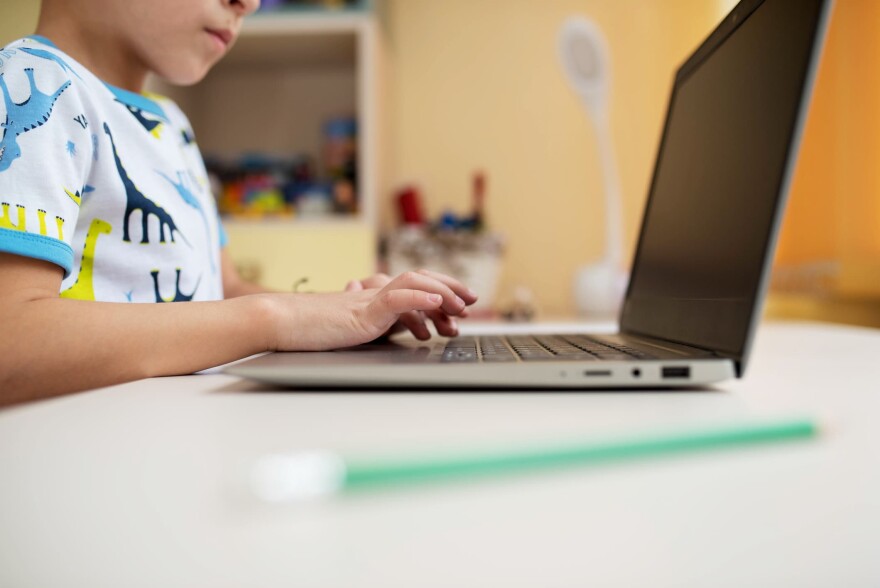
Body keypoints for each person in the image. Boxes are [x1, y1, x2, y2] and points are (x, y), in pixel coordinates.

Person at [0, 0, 477, 406]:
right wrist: (275, 318)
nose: (248, 2)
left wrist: (342, 315)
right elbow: (11, 340)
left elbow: (224, 287)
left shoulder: (170, 123)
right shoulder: (29, 81)